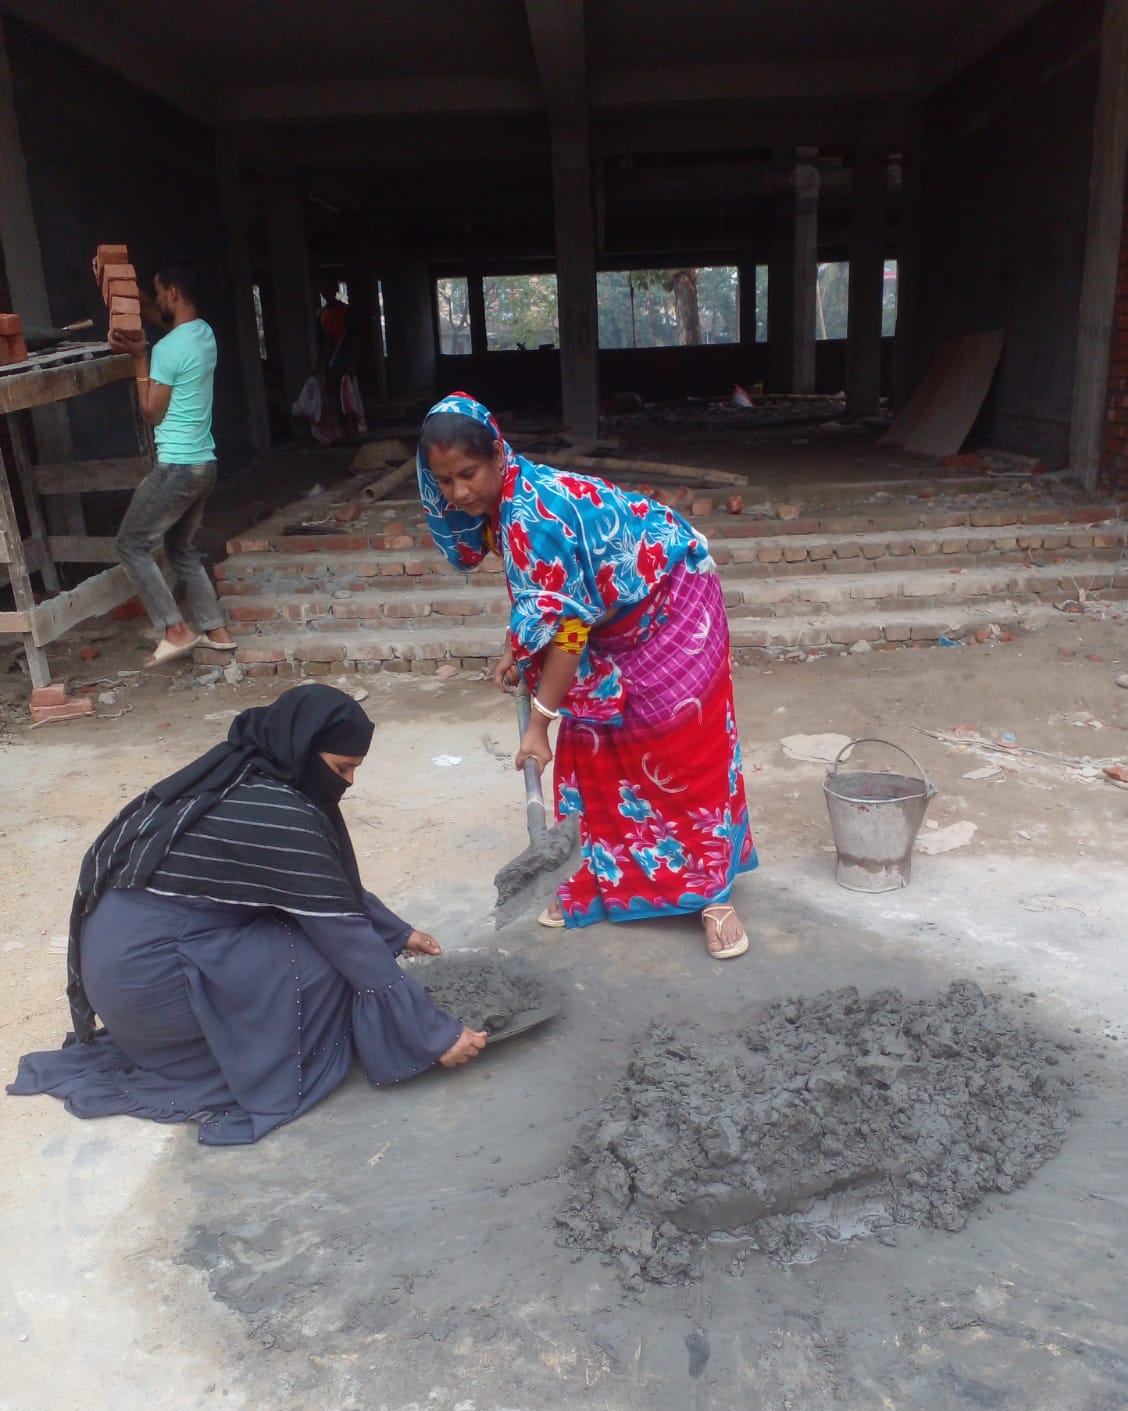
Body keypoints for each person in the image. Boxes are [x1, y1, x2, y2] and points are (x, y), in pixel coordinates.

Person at [8, 685, 486, 1145]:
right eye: (342, 768)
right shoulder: (276, 811)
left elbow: (321, 886)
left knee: (307, 926)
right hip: (152, 989)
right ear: (304, 750)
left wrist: (397, 932)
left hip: (123, 973)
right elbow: (344, 936)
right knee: (325, 961)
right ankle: (242, 1056)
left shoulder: (241, 774)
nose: (349, 782)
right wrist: (431, 1034)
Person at [417, 393, 757, 959]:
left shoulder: (535, 515)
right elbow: (544, 594)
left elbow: (569, 631)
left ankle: (710, 892)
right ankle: (602, 876)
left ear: (498, 456)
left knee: (678, 745)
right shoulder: (503, 506)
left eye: (468, 474)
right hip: (603, 612)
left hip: (671, 602)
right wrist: (518, 645)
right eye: (445, 481)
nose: (459, 493)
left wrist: (538, 727)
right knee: (595, 739)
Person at [106, 257, 235, 668]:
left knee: (130, 544)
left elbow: (152, 412)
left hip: (176, 468)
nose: (157, 300)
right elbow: (164, 321)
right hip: (204, 466)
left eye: (160, 292)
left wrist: (139, 358)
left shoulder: (165, 350)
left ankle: (175, 629)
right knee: (180, 547)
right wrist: (124, 290)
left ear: (173, 292)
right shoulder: (204, 335)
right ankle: (216, 630)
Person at [312, 275, 367, 443]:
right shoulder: (321, 315)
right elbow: (321, 343)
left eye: (329, 288)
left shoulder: (346, 312)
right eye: (323, 289)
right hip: (330, 364)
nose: (326, 292)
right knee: (334, 399)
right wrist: (318, 366)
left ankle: (352, 433)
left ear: (335, 290)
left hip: (344, 361)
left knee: (348, 400)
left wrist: (352, 363)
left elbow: (355, 339)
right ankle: (340, 434)